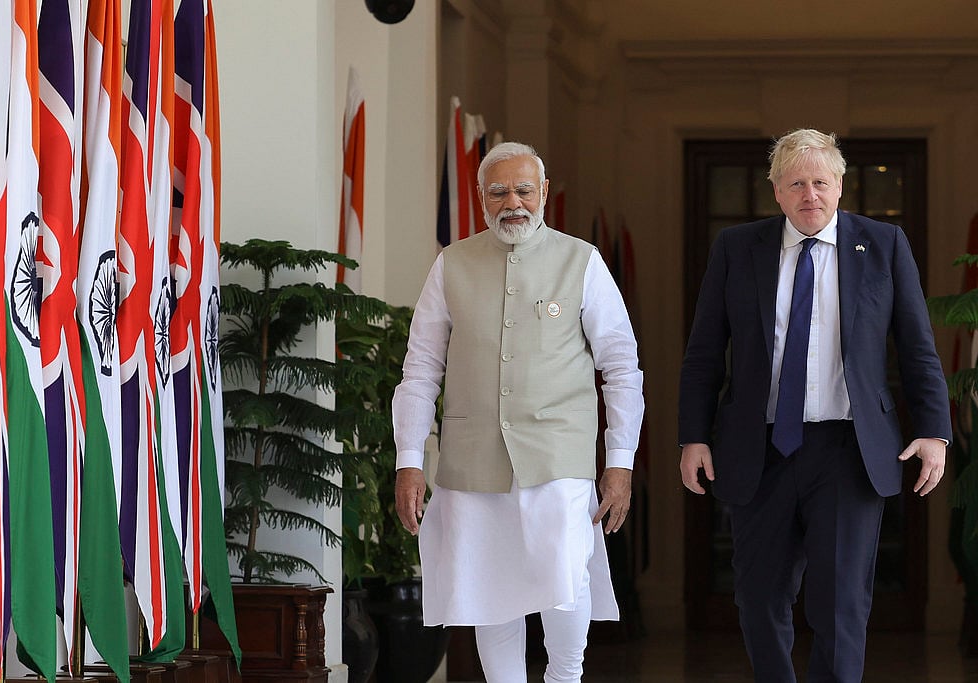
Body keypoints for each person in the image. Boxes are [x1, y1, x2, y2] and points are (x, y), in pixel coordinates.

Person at [678, 128, 951, 682]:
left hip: (848, 452)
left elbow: (918, 346)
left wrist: (935, 431)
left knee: (841, 605)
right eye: (796, 183)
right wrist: (694, 435)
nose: (810, 195)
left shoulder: (882, 244)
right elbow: (705, 351)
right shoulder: (737, 247)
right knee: (758, 599)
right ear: (775, 191)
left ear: (840, 185)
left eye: (820, 182)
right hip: (761, 449)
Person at [393, 141, 645, 682]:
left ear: (544, 193)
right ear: (481, 197)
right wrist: (409, 460)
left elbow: (621, 366)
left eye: (524, 190)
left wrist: (620, 461)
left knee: (564, 580)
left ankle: (564, 678)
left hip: (559, 457)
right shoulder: (451, 263)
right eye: (499, 191)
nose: (513, 202)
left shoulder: (582, 261)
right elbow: (420, 370)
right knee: (490, 591)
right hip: (472, 460)